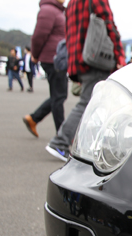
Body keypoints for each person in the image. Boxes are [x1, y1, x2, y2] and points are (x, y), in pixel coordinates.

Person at [45, 0, 125, 161]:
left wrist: (73, 69)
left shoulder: (71, 3)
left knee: (98, 105)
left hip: (80, 59)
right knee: (89, 104)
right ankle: (60, 142)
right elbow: (109, 25)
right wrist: (119, 55)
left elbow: (69, 34)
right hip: (96, 60)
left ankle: (88, 146)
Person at [22, 0, 68, 139]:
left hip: (56, 59)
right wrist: (35, 55)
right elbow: (38, 36)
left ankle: (34, 118)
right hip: (52, 59)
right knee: (59, 97)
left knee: (57, 95)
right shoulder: (49, 10)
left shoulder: (57, 10)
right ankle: (61, 137)